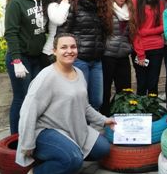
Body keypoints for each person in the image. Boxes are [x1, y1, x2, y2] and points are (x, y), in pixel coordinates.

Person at [16, 33, 116, 174]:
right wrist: (27, 143)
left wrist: (105, 120)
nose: (69, 51)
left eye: (73, 47)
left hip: (73, 128)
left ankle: (64, 155)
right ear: (54, 51)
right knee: (73, 160)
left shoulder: (79, 73)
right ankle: (37, 171)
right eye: (63, 47)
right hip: (46, 130)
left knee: (103, 148)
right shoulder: (46, 77)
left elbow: (85, 106)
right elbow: (28, 111)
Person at [57, 0, 112, 111]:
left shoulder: (100, 8)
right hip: (79, 60)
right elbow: (62, 33)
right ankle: (80, 130)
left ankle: (91, 130)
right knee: (80, 101)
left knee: (97, 101)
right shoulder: (73, 5)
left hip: (97, 61)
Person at [4, 0, 48, 134]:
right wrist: (16, 61)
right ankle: (15, 137)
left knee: (36, 98)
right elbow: (11, 32)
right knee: (21, 98)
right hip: (20, 58)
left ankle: (30, 132)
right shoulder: (16, 2)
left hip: (38, 59)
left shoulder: (45, 1)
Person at [101, 0, 134, 116]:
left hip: (123, 57)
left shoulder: (130, 10)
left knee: (125, 91)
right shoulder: (105, 9)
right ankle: (104, 118)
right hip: (107, 56)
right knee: (105, 91)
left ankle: (122, 118)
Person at [131, 0, 165, 96]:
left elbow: (163, 27)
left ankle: (153, 113)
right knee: (141, 84)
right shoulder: (134, 1)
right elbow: (134, 30)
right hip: (140, 49)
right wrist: (140, 53)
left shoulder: (159, 2)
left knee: (153, 84)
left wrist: (145, 32)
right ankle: (141, 114)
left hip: (157, 48)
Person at [41, 0, 74, 66]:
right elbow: (59, 20)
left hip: (68, 52)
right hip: (51, 54)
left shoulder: (74, 3)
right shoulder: (52, 5)